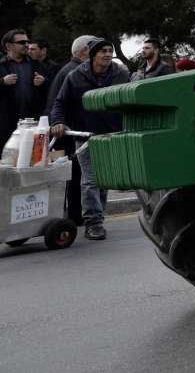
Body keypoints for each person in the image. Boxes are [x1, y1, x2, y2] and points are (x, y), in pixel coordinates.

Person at [51, 38, 128, 240]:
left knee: (104, 180)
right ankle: (93, 222)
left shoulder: (121, 74)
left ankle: (97, 216)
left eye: (110, 50)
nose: (107, 54)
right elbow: (60, 102)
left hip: (113, 135)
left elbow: (130, 101)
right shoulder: (75, 76)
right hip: (86, 136)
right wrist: (58, 122)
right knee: (91, 180)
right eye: (103, 51)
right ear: (93, 54)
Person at [0, 28, 47, 160]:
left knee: (31, 176)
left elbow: (53, 93)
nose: (26, 45)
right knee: (3, 176)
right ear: (8, 46)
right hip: (4, 133)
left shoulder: (38, 65)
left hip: (32, 132)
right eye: (21, 42)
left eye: (27, 41)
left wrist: (44, 83)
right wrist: (1, 82)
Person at [46, 35, 96, 223]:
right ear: (85, 52)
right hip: (69, 133)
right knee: (75, 175)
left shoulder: (68, 69)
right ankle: (76, 216)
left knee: (72, 175)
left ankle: (75, 215)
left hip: (64, 132)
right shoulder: (75, 72)